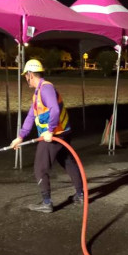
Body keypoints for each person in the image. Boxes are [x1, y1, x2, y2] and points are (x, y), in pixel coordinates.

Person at [9, 59, 84, 213]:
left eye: (26, 76)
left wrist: (49, 131)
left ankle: (47, 203)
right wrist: (20, 136)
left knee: (40, 168)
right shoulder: (38, 93)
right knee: (68, 162)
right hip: (62, 132)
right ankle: (80, 195)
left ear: (30, 74)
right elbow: (31, 116)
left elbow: (55, 110)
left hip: (55, 135)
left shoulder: (46, 88)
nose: (25, 79)